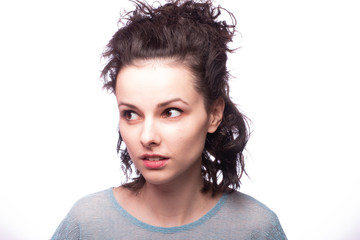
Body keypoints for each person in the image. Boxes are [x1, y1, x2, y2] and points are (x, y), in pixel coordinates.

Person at [51, 0, 287, 239]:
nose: (147, 137)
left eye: (171, 112)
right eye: (131, 114)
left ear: (214, 114)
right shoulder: (87, 224)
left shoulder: (255, 228)